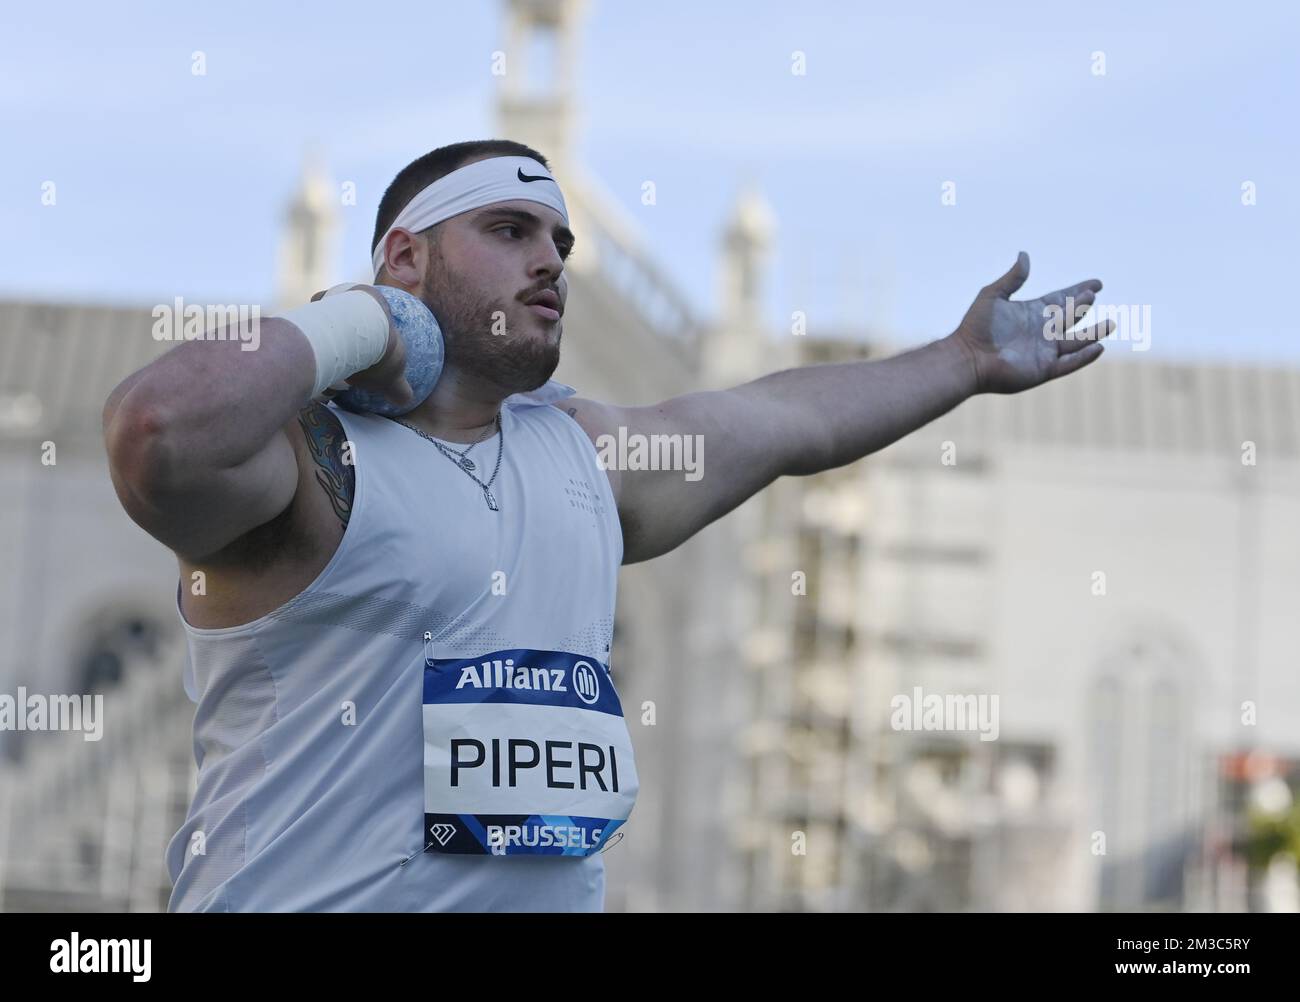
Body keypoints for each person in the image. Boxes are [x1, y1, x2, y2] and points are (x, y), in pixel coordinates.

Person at [101, 138, 1112, 912]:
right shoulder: (306, 460)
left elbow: (788, 419)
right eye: (509, 232)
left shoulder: (586, 455)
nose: (550, 262)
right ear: (404, 256)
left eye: (560, 243)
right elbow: (158, 432)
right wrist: (361, 322)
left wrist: (961, 361)